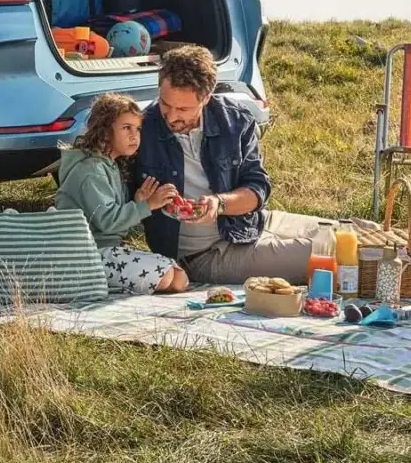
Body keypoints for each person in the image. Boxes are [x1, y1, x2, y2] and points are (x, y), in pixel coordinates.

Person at [132, 44, 325, 285]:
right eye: (165, 104)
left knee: (347, 232)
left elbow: (258, 188)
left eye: (183, 109)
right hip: (204, 255)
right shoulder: (141, 129)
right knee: (326, 254)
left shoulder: (234, 120)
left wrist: (219, 204)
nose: (171, 117)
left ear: (206, 98)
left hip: (251, 222)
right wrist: (142, 203)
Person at [55, 94, 192, 294]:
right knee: (172, 277)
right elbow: (108, 221)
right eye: (126, 128)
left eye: (137, 129)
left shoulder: (110, 165)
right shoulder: (90, 170)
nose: (134, 136)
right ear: (104, 130)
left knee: (178, 276)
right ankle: (92, 282)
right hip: (87, 257)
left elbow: (114, 219)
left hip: (108, 251)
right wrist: (147, 206)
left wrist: (138, 201)